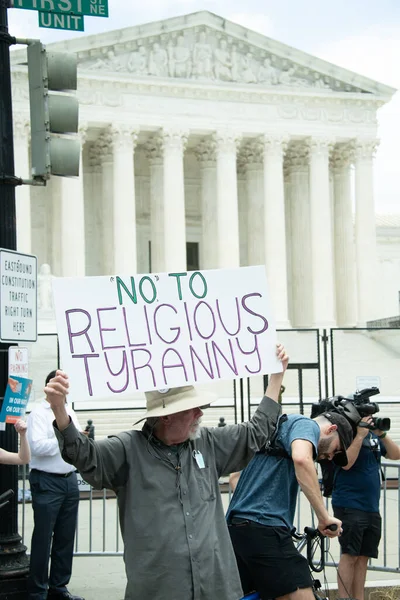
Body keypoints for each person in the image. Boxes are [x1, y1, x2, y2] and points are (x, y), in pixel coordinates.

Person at [46, 343, 288, 600]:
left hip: (215, 587)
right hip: (160, 590)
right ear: (166, 417)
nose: (200, 412)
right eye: (191, 408)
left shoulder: (207, 443)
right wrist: (59, 409)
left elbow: (256, 432)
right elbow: (84, 455)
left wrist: (276, 378)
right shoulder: (129, 449)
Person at [227, 408, 354, 600]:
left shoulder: (273, 431)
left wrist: (255, 501)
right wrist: (324, 517)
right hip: (265, 527)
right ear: (331, 429)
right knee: (301, 593)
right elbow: (302, 459)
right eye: (335, 450)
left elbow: (234, 477)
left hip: (238, 528)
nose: (329, 457)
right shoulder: (306, 424)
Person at [27, 370, 85, 600]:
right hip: (47, 481)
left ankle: (59, 588)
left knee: (65, 537)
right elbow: (37, 447)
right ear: (50, 387)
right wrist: (63, 437)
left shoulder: (70, 410)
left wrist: (75, 437)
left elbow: (77, 439)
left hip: (69, 479)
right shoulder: (37, 413)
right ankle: (38, 592)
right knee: (43, 538)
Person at [332, 416, 400, 600]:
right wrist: (360, 435)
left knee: (363, 557)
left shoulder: (373, 437)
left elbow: (396, 454)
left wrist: (382, 434)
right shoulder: (347, 435)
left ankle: (359, 597)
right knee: (350, 554)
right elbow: (346, 463)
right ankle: (344, 598)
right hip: (349, 504)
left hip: (371, 506)